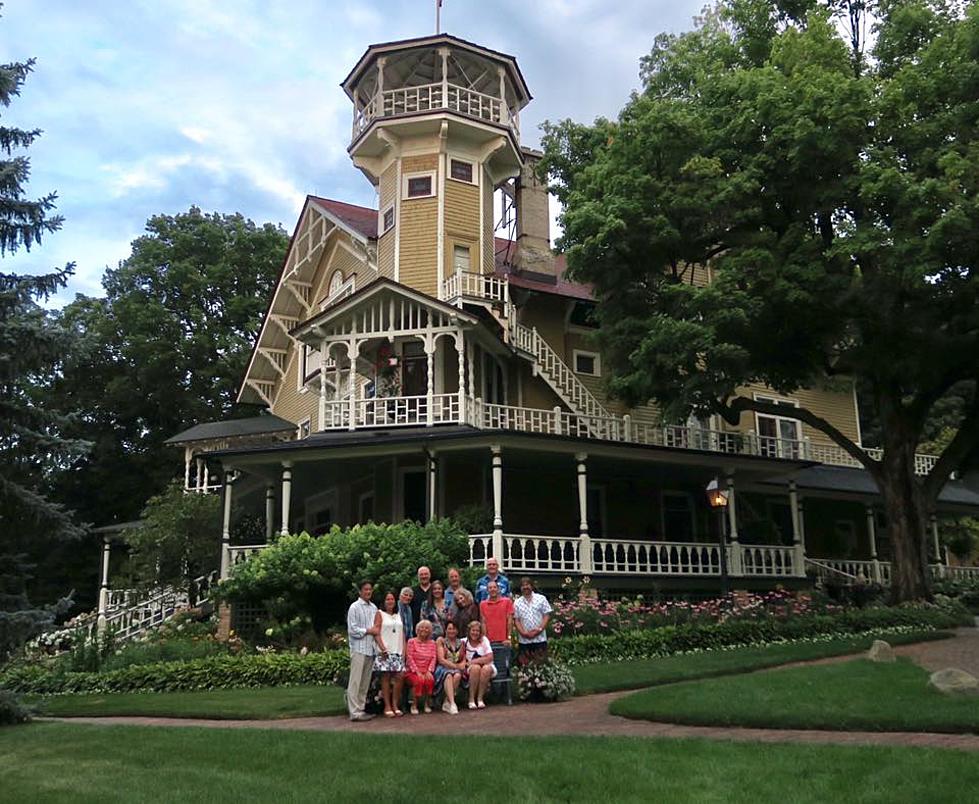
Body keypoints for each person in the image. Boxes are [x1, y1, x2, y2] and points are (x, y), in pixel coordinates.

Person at [345, 580, 379, 722]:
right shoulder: (354, 607)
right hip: (358, 649)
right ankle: (354, 712)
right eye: (365, 589)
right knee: (355, 682)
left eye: (370, 589)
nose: (368, 592)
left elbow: (378, 628)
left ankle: (360, 709)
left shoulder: (374, 608)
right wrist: (368, 631)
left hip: (370, 649)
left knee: (365, 682)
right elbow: (352, 630)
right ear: (360, 591)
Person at [372, 591, 405, 717]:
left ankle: (395, 704)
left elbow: (402, 634)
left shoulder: (398, 615)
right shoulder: (380, 614)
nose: (390, 601)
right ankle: (387, 706)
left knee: (400, 676)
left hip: (397, 651)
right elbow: (376, 632)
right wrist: (382, 648)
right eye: (387, 599)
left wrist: (403, 651)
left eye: (392, 599)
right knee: (385, 678)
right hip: (385, 651)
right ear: (383, 601)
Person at [512, 576, 553, 664]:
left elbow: (546, 615)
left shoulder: (541, 599)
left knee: (541, 665)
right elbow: (516, 620)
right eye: (523, 585)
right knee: (525, 666)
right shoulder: (517, 602)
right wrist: (523, 633)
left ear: (532, 586)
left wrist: (539, 630)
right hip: (524, 640)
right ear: (520, 588)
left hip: (540, 638)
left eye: (527, 585)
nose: (525, 587)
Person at [404, 619, 437, 714]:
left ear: (430, 631)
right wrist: (417, 671)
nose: (424, 630)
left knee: (430, 679)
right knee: (419, 680)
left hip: (426, 670)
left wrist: (429, 671)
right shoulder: (411, 641)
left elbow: (434, 658)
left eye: (427, 628)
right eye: (422, 627)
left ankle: (427, 704)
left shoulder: (432, 643)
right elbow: (409, 658)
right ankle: (414, 704)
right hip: (412, 670)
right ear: (417, 629)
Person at [462, 620, 496, 710]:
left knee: (486, 669)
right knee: (476, 668)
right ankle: (471, 699)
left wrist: (474, 661)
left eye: (477, 631)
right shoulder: (463, 642)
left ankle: (480, 699)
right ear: (469, 631)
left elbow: (490, 657)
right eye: (473, 630)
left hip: (487, 665)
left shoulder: (484, 640)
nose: (475, 633)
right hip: (471, 669)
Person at [435, 620, 465, 715]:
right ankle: (452, 703)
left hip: (455, 669)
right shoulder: (441, 641)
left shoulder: (460, 643)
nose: (451, 631)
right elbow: (441, 660)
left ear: (457, 631)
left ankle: (446, 701)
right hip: (443, 668)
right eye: (449, 629)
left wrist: (462, 664)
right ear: (446, 630)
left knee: (457, 676)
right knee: (448, 675)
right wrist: (456, 666)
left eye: (454, 629)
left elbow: (463, 658)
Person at [479, 579, 513, 645]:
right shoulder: (482, 604)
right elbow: (483, 622)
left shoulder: (507, 602)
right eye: (490, 588)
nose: (492, 589)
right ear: (487, 591)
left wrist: (509, 638)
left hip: (504, 641)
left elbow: (510, 622)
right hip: (489, 641)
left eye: (494, 587)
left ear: (498, 589)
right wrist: (485, 640)